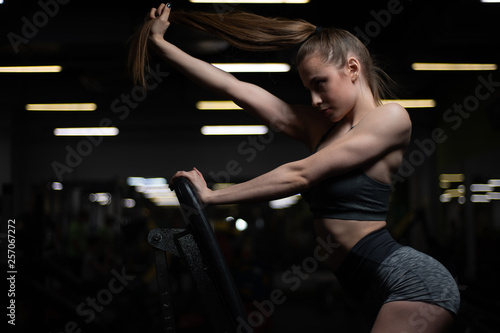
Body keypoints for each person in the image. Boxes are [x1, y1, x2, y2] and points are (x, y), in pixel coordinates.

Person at [129, 3, 460, 332]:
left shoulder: (391, 118)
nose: (314, 99)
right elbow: (233, 87)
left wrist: (213, 197)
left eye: (320, 83)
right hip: (364, 287)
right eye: (308, 89)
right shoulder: (320, 128)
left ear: (353, 68)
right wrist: (162, 46)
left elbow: (302, 174)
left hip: (412, 284)